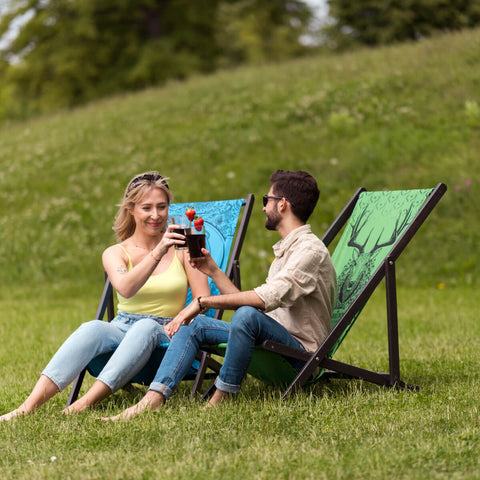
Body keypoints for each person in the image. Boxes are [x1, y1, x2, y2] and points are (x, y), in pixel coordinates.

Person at [103, 169, 337, 420]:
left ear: (282, 204)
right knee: (195, 325)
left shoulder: (309, 250)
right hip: (275, 338)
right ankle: (154, 398)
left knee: (242, 314)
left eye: (266, 200)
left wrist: (203, 302)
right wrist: (212, 270)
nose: (262, 207)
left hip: (299, 355)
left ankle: (221, 396)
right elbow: (257, 313)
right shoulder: (288, 248)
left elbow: (262, 300)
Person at [0, 171, 209, 422]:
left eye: (162, 207)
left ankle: (80, 406)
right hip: (122, 326)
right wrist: (158, 251)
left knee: (144, 326)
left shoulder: (183, 249)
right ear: (131, 209)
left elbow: (203, 300)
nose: (156, 215)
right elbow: (126, 288)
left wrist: (180, 318)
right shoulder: (115, 252)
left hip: (167, 332)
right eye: (147, 207)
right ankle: (25, 408)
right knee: (92, 328)